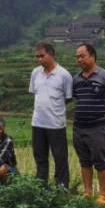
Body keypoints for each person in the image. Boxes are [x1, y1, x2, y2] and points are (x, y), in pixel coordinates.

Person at [72, 44, 105, 205]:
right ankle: (88, 191)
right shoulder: (76, 79)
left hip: (98, 127)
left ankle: (103, 194)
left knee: (100, 160)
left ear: (93, 56)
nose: (79, 59)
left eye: (82, 56)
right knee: (84, 160)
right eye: (77, 57)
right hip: (79, 127)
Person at [30, 41, 73, 189]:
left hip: (56, 124)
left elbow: (68, 97)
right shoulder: (35, 73)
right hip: (37, 123)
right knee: (40, 158)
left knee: (60, 158)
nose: (39, 60)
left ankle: (61, 189)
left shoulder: (64, 75)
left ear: (51, 54)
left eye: (42, 56)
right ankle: (41, 188)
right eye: (37, 57)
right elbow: (36, 94)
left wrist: (55, 107)